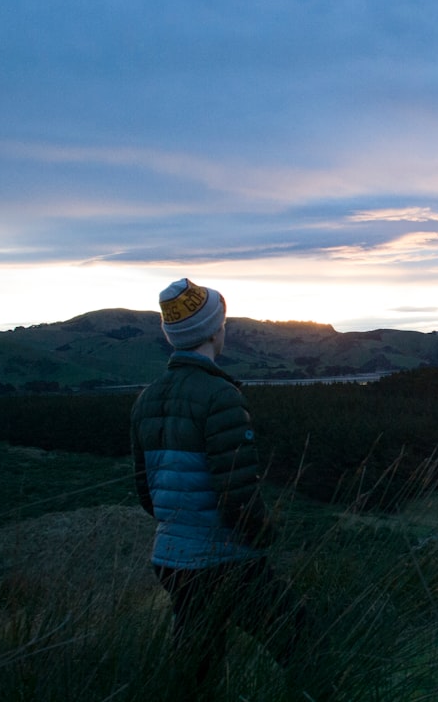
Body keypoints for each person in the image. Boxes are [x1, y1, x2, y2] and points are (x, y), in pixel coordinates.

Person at [132, 278, 314, 697]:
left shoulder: (146, 399)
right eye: (223, 322)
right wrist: (266, 535)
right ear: (215, 331)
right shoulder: (220, 396)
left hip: (171, 560)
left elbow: (147, 492)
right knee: (303, 641)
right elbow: (237, 498)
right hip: (224, 559)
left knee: (198, 671)